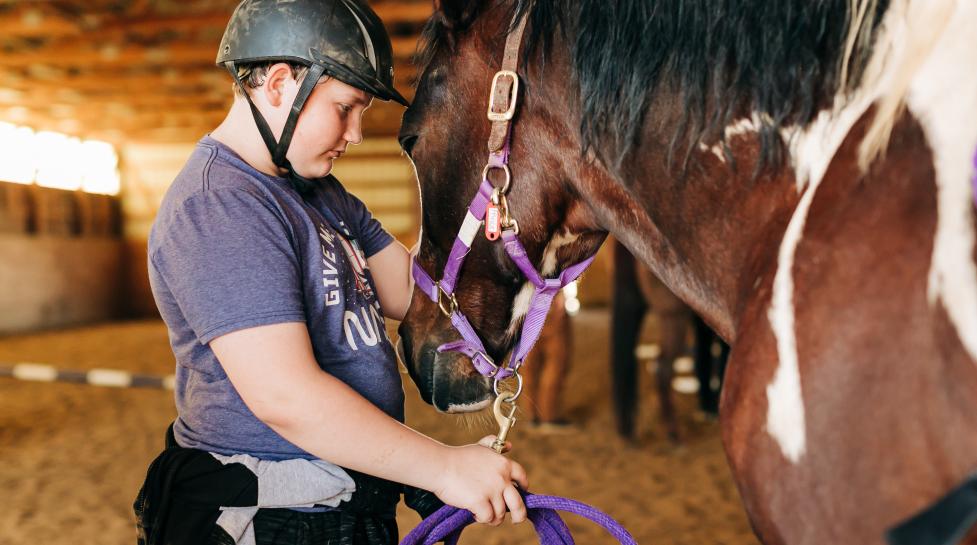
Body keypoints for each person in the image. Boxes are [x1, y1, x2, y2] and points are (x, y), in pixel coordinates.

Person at [133, 1, 528, 544]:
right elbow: (285, 398)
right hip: (269, 516)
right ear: (278, 85)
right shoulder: (220, 205)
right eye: (346, 107)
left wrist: (519, 257)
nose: (357, 133)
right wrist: (441, 467)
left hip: (344, 497)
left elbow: (419, 292)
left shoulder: (320, 194)